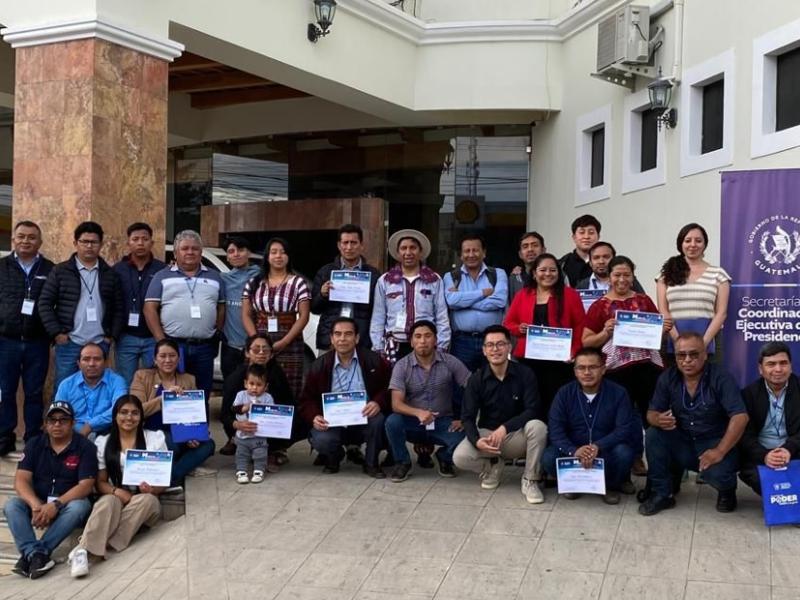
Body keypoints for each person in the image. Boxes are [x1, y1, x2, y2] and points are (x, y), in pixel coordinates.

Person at [639, 332, 748, 516]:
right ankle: (662, 493)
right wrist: (657, 419)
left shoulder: (720, 376)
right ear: (676, 357)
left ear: (705, 354)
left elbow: (740, 416)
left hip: (713, 442)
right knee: (653, 434)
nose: (687, 360)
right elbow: (651, 413)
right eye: (681, 355)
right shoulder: (668, 377)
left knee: (719, 474)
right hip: (683, 440)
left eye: (694, 354)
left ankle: (727, 491)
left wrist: (719, 451)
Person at [582, 256, 670, 475]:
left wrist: (664, 329)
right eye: (617, 275)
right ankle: (634, 457)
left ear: (633, 276)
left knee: (652, 412)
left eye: (627, 275)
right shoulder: (599, 306)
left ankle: (660, 461)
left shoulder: (644, 300)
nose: (622, 279)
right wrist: (605, 332)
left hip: (647, 368)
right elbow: (587, 341)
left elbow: (657, 334)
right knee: (624, 417)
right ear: (609, 277)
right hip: (616, 371)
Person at [67, 395, 167, 578]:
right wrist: (116, 491)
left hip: (145, 500)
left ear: (141, 416)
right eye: (124, 412)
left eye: (135, 413)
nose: (129, 417)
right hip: (116, 495)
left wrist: (152, 489)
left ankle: (88, 546)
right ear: (115, 416)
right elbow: (100, 482)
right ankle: (85, 552)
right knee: (107, 502)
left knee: (147, 500)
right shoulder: (103, 442)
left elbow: (163, 482)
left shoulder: (154, 439)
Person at [453, 325, 547, 504]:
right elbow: (467, 417)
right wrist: (477, 441)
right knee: (460, 457)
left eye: (500, 344)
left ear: (509, 347)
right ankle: (493, 466)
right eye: (490, 345)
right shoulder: (476, 379)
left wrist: (505, 428)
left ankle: (530, 479)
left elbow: (533, 410)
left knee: (538, 427)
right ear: (484, 350)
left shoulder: (525, 373)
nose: (495, 349)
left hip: (517, 436)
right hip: (489, 437)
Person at [3, 401, 96, 579]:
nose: (57, 424)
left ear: (72, 423)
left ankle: (34, 553)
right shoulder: (34, 444)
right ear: (45, 424)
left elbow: (85, 486)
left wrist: (56, 505)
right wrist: (35, 505)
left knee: (80, 506)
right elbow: (21, 480)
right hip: (39, 502)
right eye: (52, 420)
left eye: (63, 420)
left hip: (67, 504)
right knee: (12, 505)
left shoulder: (85, 447)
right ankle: (36, 554)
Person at [542, 347, 641, 505]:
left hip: (605, 451)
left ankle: (610, 485)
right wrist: (574, 450)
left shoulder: (619, 393)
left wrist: (597, 446)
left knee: (624, 453)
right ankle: (574, 483)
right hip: (574, 450)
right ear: (575, 371)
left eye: (593, 367)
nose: (587, 372)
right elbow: (555, 430)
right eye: (581, 368)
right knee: (548, 457)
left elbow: (623, 429)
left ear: (603, 369)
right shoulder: (564, 394)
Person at [299, 317, 391, 477]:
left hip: (364, 417)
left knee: (380, 421)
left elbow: (388, 388)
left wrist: (377, 402)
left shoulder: (374, 361)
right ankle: (334, 457)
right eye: (338, 334)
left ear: (357, 338)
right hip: (332, 421)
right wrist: (314, 416)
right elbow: (306, 400)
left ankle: (371, 463)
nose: (342, 339)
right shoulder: (319, 366)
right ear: (331, 338)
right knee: (321, 439)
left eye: (348, 334)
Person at [39, 221, 124, 392]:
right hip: (70, 342)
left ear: (101, 245)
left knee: (99, 389)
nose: (89, 246)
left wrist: (111, 336)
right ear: (75, 243)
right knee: (64, 388)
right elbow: (44, 303)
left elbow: (119, 308)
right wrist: (57, 333)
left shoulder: (110, 274)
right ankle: (62, 412)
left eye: (94, 242)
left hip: (100, 341)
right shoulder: (60, 271)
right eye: (84, 241)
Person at [144, 229, 225, 403]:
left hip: (204, 347)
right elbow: (149, 308)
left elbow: (221, 307)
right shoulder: (161, 276)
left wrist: (217, 332)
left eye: (195, 248)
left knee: (202, 394)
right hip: (174, 346)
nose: (190, 252)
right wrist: (161, 341)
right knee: (175, 393)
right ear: (175, 253)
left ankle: (201, 423)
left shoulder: (215, 277)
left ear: (201, 252)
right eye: (185, 248)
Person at [385, 320, 471, 482]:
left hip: (442, 421)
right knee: (392, 422)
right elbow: (396, 404)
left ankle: (444, 457)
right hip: (413, 422)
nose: (423, 341)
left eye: (427, 336)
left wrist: (465, 418)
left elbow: (473, 389)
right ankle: (402, 462)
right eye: (417, 337)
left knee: (468, 434)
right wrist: (418, 413)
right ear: (411, 342)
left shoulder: (450, 361)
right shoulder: (402, 366)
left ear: (436, 340)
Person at [503, 252, 585, 419]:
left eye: (553, 270)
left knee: (558, 403)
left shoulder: (570, 294)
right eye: (543, 270)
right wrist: (519, 328)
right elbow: (508, 323)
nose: (548, 274)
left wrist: (575, 351)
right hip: (529, 360)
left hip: (560, 361)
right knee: (531, 402)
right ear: (534, 273)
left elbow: (580, 326)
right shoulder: (523, 295)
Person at [0, 221, 54, 454]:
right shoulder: (2, 266)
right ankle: (4, 436)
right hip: (6, 340)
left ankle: (33, 437)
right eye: (21, 236)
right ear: (13, 240)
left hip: (37, 341)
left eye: (31, 237)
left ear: (40, 242)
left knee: (34, 392)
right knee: (5, 391)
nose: (26, 241)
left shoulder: (50, 269)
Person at [129, 339, 216, 486]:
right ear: (155, 359)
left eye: (172, 356)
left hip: (180, 434)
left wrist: (193, 435)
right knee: (171, 444)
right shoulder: (142, 376)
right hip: (151, 433)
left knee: (208, 445)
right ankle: (179, 470)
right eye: (163, 356)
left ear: (179, 358)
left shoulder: (189, 379)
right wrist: (164, 399)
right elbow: (136, 411)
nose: (168, 360)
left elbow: (195, 414)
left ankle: (169, 478)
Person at [242, 237, 310, 401]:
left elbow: (304, 316)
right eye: (274, 252)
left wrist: (284, 342)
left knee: (288, 387)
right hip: (259, 342)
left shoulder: (298, 283)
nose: (278, 256)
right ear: (267, 256)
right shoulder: (254, 283)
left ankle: (288, 417)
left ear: (289, 256)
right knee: (257, 382)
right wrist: (256, 341)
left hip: (289, 341)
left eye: (283, 252)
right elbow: (246, 314)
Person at [370, 229, 450, 362]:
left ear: (420, 251)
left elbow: (441, 315)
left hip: (425, 344)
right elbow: (378, 317)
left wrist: (442, 345)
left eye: (413, 248)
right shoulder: (385, 281)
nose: (408, 253)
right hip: (395, 344)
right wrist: (378, 347)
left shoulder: (434, 280)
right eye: (403, 248)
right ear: (398, 252)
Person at [219, 334, 296, 466]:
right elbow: (225, 414)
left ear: (271, 354)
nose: (261, 353)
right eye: (256, 349)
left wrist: (279, 418)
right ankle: (235, 441)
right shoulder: (236, 377)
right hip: (244, 425)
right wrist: (237, 424)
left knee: (299, 419)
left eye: (265, 350)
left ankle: (276, 449)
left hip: (269, 426)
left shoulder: (277, 374)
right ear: (247, 353)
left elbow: (289, 403)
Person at [656, 223, 731, 355]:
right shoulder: (666, 274)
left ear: (705, 244)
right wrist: (678, 342)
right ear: (681, 243)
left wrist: (703, 344)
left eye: (698, 241)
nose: (693, 245)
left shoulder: (719, 274)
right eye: (688, 240)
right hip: (673, 340)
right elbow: (663, 311)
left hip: (708, 341)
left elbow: (721, 313)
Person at [739, 342, 800, 496]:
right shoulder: (748, 394)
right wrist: (765, 455)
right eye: (771, 364)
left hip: (795, 451)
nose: (778, 369)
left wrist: (788, 449)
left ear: (791, 366)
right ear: (761, 369)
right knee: (760, 480)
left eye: (783, 363)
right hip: (760, 455)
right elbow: (744, 435)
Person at [311, 224, 381, 353]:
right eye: (345, 242)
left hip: (361, 340)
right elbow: (314, 308)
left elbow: (379, 311)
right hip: (331, 340)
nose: (349, 247)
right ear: (339, 245)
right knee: (326, 367)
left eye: (353, 243)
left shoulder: (374, 275)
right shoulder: (325, 272)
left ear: (361, 245)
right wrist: (322, 295)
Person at [443, 234, 508, 372]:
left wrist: (463, 302)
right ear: (461, 255)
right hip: (462, 342)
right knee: (462, 381)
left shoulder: (498, 274)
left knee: (494, 380)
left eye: (475, 250)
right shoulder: (451, 277)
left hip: (493, 340)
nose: (471, 255)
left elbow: (499, 301)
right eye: (467, 251)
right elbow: (452, 301)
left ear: (484, 253)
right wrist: (482, 293)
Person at [113, 222, 166, 387]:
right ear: (128, 243)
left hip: (153, 337)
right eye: (135, 239)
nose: (140, 243)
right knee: (125, 383)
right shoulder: (117, 270)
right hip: (126, 337)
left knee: (154, 383)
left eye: (145, 239)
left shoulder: (162, 270)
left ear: (152, 242)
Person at [54, 342, 128, 438]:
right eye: (86, 359)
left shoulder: (117, 382)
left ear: (106, 363)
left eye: (97, 359)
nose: (91, 364)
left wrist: (90, 426)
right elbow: (59, 413)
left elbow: (120, 409)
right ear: (78, 363)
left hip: (108, 433)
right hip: (73, 434)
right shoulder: (66, 385)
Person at [220, 236, 260, 380]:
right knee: (230, 387)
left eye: (241, 250)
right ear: (227, 257)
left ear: (249, 253)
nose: (236, 254)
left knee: (255, 387)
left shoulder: (260, 276)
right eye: (231, 251)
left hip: (255, 345)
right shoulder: (223, 279)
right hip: (230, 346)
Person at [231, 364, 273, 484]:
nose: (254, 388)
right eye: (251, 384)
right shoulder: (241, 395)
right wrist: (245, 407)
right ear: (246, 383)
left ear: (266, 386)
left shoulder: (267, 398)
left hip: (259, 435)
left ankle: (259, 470)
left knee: (260, 453)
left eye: (259, 385)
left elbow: (272, 414)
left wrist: (262, 408)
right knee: (241, 454)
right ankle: (241, 471)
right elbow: (234, 409)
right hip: (242, 435)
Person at [575, 242, 645, 293]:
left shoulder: (628, 281)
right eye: (596, 258)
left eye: (606, 257)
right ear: (590, 262)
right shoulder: (582, 286)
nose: (601, 261)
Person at [558, 214, 601, 286]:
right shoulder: (562, 264)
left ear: (598, 237)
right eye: (581, 232)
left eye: (591, 232)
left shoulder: (607, 263)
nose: (586, 237)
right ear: (574, 237)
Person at [509, 231, 546, 303]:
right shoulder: (514, 279)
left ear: (543, 250)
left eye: (535, 245)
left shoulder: (556, 274)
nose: (530, 249)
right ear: (520, 254)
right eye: (525, 247)